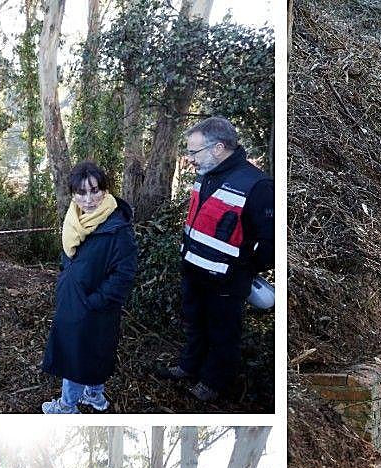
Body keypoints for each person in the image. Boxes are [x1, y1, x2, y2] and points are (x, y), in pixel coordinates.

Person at [158, 116, 274, 402]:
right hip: (194, 270)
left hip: (227, 279)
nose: (190, 158)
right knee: (195, 323)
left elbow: (272, 240)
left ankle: (214, 382)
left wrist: (246, 268)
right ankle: (189, 367)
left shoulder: (256, 185)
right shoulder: (206, 174)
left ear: (219, 147)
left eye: (194, 151)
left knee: (223, 333)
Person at [42, 160, 138, 414]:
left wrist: (95, 301)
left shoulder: (117, 229)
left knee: (78, 355)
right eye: (81, 192)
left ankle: (67, 406)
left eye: (95, 190)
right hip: (73, 299)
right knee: (93, 351)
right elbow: (69, 255)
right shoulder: (74, 218)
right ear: (73, 194)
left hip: (96, 306)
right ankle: (94, 395)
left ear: (105, 190)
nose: (88, 199)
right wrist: (66, 281)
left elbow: (124, 274)